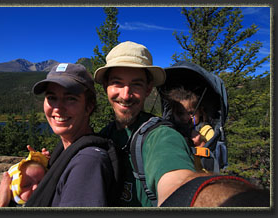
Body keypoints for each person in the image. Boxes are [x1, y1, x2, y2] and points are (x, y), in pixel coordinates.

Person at [94, 41, 269, 207]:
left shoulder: (161, 136)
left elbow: (177, 183)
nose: (125, 95)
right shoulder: (104, 135)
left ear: (148, 89)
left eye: (136, 84)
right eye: (117, 82)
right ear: (105, 87)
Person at [0, 63, 116, 207]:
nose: (57, 108)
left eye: (70, 99)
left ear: (89, 106)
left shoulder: (87, 163)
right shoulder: (65, 153)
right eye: (51, 97)